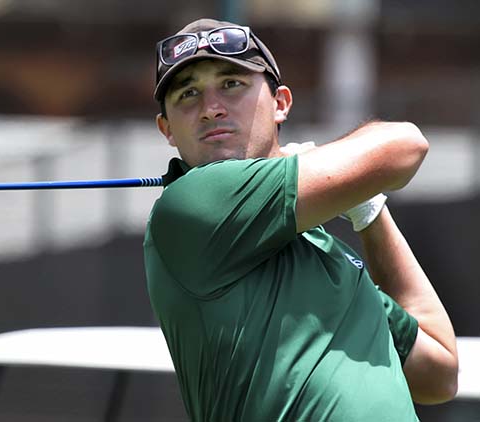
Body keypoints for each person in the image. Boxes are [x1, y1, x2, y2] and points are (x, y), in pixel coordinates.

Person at [143, 18, 458, 421]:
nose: (211, 109)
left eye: (231, 84)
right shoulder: (191, 205)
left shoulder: (326, 253)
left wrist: (369, 212)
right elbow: (405, 146)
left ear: (281, 104)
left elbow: (438, 371)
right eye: (188, 93)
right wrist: (342, 175)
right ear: (166, 129)